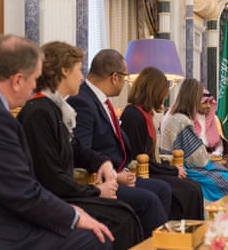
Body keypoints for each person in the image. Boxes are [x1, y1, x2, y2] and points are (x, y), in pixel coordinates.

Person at [0, 34, 113, 249]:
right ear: (17, 80)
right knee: (95, 238)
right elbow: (21, 191)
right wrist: (73, 215)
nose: (35, 87)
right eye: (34, 79)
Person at [16, 41, 143, 249]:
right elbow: (50, 178)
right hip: (50, 200)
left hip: (62, 194)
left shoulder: (53, 109)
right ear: (64, 70)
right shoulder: (38, 112)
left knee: (123, 213)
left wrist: (102, 162)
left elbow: (75, 148)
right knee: (121, 217)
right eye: (78, 70)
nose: (82, 77)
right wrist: (97, 192)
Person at [66, 49, 171, 239]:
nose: (126, 82)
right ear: (115, 77)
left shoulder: (100, 100)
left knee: (163, 189)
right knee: (149, 200)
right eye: (125, 77)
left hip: (118, 173)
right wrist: (114, 175)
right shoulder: (82, 101)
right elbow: (81, 152)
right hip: (99, 180)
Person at [120, 66, 204, 220]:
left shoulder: (143, 114)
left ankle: (192, 234)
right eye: (164, 92)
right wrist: (172, 170)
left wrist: (171, 169)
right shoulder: (133, 116)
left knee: (194, 187)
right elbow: (139, 159)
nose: (165, 97)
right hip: (141, 172)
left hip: (150, 169)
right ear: (154, 91)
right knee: (189, 190)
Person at [160, 78, 228, 202]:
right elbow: (199, 159)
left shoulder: (169, 115)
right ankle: (217, 213)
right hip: (183, 167)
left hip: (172, 163)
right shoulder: (182, 119)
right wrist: (209, 161)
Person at [194, 88, 228, 176]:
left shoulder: (215, 119)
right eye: (204, 103)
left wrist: (216, 154)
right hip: (196, 158)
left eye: (210, 102)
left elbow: (220, 143)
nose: (208, 106)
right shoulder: (188, 120)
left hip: (214, 155)